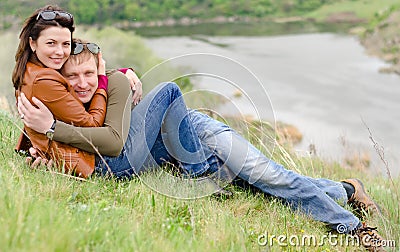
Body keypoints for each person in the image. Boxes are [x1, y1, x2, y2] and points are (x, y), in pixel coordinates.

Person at [15, 6, 386, 252]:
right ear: (35, 46)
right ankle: (346, 189)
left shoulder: (111, 82)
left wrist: (113, 81)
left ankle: (353, 229)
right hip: (167, 142)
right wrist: (36, 146)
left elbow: (107, 133)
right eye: (56, 50)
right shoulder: (59, 85)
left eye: (67, 47)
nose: (76, 74)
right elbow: (78, 126)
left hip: (195, 129)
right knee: (254, 184)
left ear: (99, 68)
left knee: (267, 174)